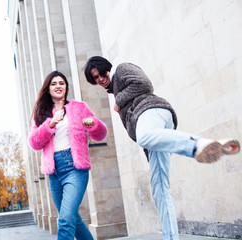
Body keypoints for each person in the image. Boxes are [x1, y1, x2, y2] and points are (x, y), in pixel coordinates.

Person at [84, 56, 240, 240]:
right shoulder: (115, 86)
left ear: (105, 67)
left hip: (152, 111)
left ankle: (197, 144)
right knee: (159, 187)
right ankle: (171, 236)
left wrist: (119, 100)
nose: (100, 79)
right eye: (95, 78)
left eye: (100, 74)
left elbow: (144, 84)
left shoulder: (122, 69)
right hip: (152, 125)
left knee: (144, 136)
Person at [28, 70, 107, 240]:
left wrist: (93, 124)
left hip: (75, 168)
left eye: (61, 83)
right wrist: (50, 124)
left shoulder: (79, 107)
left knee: (65, 219)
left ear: (66, 87)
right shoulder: (41, 113)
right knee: (73, 219)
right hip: (54, 172)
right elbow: (34, 143)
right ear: (48, 88)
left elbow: (100, 135)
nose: (58, 86)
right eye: (54, 83)